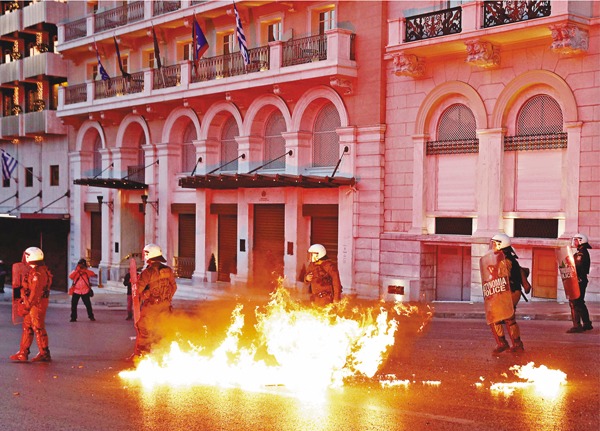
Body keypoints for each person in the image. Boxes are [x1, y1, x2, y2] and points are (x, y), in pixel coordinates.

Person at [128, 243, 177, 360]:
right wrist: (166, 299)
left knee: (143, 329)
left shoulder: (148, 272)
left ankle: (141, 356)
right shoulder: (168, 270)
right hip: (166, 305)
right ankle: (162, 355)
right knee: (163, 329)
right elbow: (174, 287)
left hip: (151, 306)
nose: (144, 256)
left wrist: (140, 289)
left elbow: (137, 291)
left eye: (145, 254)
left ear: (149, 255)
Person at [10, 247, 53, 362]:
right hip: (34, 303)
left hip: (36, 304)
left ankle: (44, 353)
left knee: (38, 327)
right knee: (28, 326)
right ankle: (23, 353)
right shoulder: (37, 270)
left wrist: (26, 306)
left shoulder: (37, 274)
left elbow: (35, 293)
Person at [488, 234, 525, 355]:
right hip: (509, 292)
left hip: (510, 292)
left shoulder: (505, 260)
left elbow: (504, 278)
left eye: (494, 243)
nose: (492, 246)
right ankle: (512, 343)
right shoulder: (504, 257)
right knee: (503, 318)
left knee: (504, 317)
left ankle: (507, 344)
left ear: (500, 244)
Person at [566, 233, 593, 333]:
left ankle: (577, 325)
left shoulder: (581, 254)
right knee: (580, 302)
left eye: (576, 240)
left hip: (579, 280)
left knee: (575, 302)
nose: (575, 242)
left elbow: (577, 266)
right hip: (580, 279)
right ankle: (587, 323)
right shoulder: (581, 252)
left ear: (581, 241)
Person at [68, 258, 96, 322]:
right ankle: (73, 317)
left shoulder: (87, 272)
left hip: (85, 291)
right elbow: (70, 276)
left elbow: (93, 274)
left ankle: (91, 316)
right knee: (74, 305)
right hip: (76, 291)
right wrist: (77, 270)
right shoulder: (75, 272)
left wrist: (85, 270)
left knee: (88, 305)